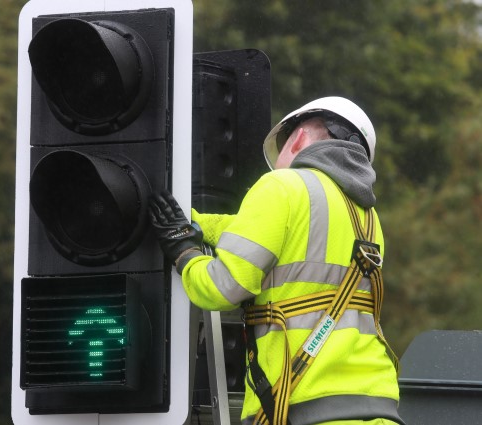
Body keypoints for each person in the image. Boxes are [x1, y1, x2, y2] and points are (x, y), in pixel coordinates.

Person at [150, 97, 403, 425]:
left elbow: (220, 288)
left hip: (304, 406)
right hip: (377, 404)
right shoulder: (367, 219)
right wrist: (195, 221)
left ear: (297, 139)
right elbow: (259, 232)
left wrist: (183, 251)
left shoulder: (282, 185)